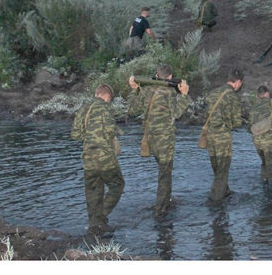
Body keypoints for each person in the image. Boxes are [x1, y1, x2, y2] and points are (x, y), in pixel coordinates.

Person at [127, 64, 192, 217]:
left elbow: (132, 109)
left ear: (156, 75)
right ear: (170, 77)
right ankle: (161, 210)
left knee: (164, 171)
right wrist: (184, 95)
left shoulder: (147, 89)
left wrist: (134, 89)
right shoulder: (169, 92)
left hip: (150, 138)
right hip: (165, 140)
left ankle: (166, 200)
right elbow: (176, 113)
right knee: (165, 174)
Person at [71, 84, 125, 236]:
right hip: (105, 156)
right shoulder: (106, 108)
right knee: (117, 185)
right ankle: (99, 219)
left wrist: (90, 138)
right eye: (110, 99)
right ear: (107, 96)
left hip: (88, 157)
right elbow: (110, 130)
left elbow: (75, 134)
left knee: (93, 191)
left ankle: (94, 227)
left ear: (96, 93)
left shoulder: (84, 108)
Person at [202, 68, 244, 201]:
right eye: (241, 84)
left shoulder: (213, 93)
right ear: (238, 82)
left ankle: (225, 192)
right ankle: (216, 202)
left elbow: (206, 113)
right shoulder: (233, 97)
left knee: (217, 168)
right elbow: (237, 123)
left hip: (210, 136)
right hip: (223, 137)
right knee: (223, 170)